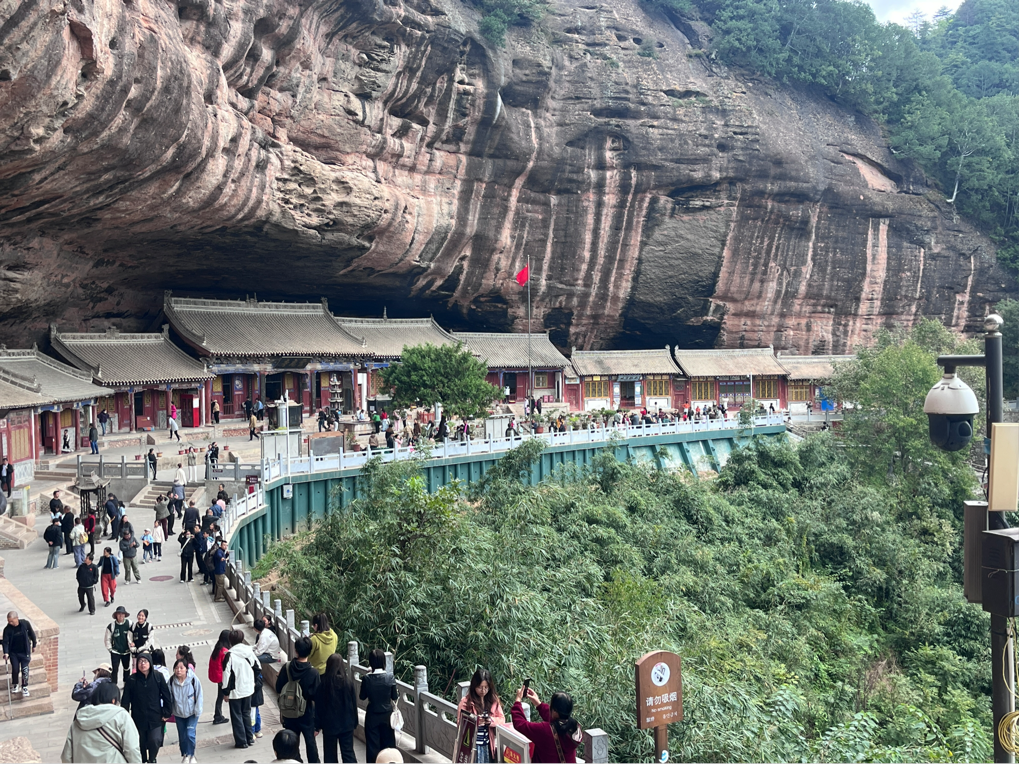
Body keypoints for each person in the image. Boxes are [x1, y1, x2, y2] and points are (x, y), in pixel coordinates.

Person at [60, 682, 142, 764]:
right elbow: (132, 749)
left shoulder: (79, 720)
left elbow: (67, 756)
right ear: (113, 700)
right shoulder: (121, 716)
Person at [275, 636, 321, 764]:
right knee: (311, 744)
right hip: (307, 715)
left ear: (296, 650)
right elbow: (318, 698)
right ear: (310, 651)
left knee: (292, 744)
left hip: (289, 714)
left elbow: (278, 688)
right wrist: (318, 725)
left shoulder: (286, 667)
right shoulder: (313, 673)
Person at [122, 652, 172, 764]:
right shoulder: (132, 680)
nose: (143, 664)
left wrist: (167, 712)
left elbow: (166, 695)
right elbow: (125, 701)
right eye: (140, 661)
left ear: (150, 663)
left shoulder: (158, 677)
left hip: (155, 717)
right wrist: (125, 718)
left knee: (155, 740)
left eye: (145, 661)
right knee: (140, 743)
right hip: (138, 719)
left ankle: (152, 758)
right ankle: (143, 761)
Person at [511, 687, 582, 764]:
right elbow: (554, 720)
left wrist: (518, 700)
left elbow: (520, 724)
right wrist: (538, 704)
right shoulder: (575, 727)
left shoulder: (545, 731)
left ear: (554, 711)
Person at [316, 653, 358, 764]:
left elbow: (319, 707)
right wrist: (355, 721)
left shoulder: (323, 684)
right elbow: (354, 704)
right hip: (346, 724)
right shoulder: (348, 683)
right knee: (348, 753)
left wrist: (317, 726)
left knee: (330, 755)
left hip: (329, 725)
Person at [458, 669, 505, 764]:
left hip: (487, 744)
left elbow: (502, 719)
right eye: (480, 687)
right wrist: (475, 721)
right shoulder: (466, 702)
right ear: (474, 686)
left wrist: (491, 721)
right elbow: (460, 723)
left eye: (486, 687)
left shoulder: (493, 700)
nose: (483, 691)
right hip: (472, 746)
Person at [221, 630, 258, 749]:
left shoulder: (229, 655)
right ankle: (249, 737)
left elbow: (226, 675)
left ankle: (241, 741)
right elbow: (258, 667)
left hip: (235, 691)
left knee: (237, 715)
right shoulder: (249, 651)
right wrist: (252, 681)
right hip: (248, 688)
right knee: (246, 713)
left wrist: (225, 692)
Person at [360, 648, 397, 764]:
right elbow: (394, 696)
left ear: (371, 662)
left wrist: (368, 675)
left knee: (372, 746)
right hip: (387, 715)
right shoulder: (390, 677)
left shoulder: (367, 679)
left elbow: (362, 696)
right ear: (383, 661)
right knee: (388, 745)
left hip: (372, 714)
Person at [169, 658, 203, 764]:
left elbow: (199, 694)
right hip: (178, 714)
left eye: (181, 668)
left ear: (186, 669)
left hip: (192, 713)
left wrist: (198, 710)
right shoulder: (171, 681)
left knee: (190, 734)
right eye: (176, 668)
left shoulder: (193, 679)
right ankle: (185, 754)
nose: (179, 670)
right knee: (182, 736)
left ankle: (191, 754)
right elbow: (168, 696)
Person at [2, 611, 37, 697]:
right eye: (8, 621)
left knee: (25, 670)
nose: (10, 623)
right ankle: (15, 684)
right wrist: (6, 653)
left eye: (11, 621)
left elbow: (32, 634)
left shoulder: (25, 624)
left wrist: (34, 645)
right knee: (15, 669)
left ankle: (24, 686)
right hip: (14, 653)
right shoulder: (7, 629)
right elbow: (5, 642)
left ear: (16, 618)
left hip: (24, 652)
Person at [105, 606, 133, 684]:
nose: (121, 616)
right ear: (116, 615)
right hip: (115, 652)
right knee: (115, 669)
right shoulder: (111, 626)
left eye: (122, 614)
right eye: (119, 614)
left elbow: (133, 635)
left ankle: (126, 683)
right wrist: (110, 649)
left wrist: (132, 645)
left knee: (126, 668)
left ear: (125, 615)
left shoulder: (129, 624)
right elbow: (107, 639)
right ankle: (114, 685)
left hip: (126, 651)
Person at [209, 629, 231, 725]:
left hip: (218, 676)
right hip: (223, 677)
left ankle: (218, 715)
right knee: (223, 696)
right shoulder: (225, 651)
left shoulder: (218, 648)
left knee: (220, 696)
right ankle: (218, 716)